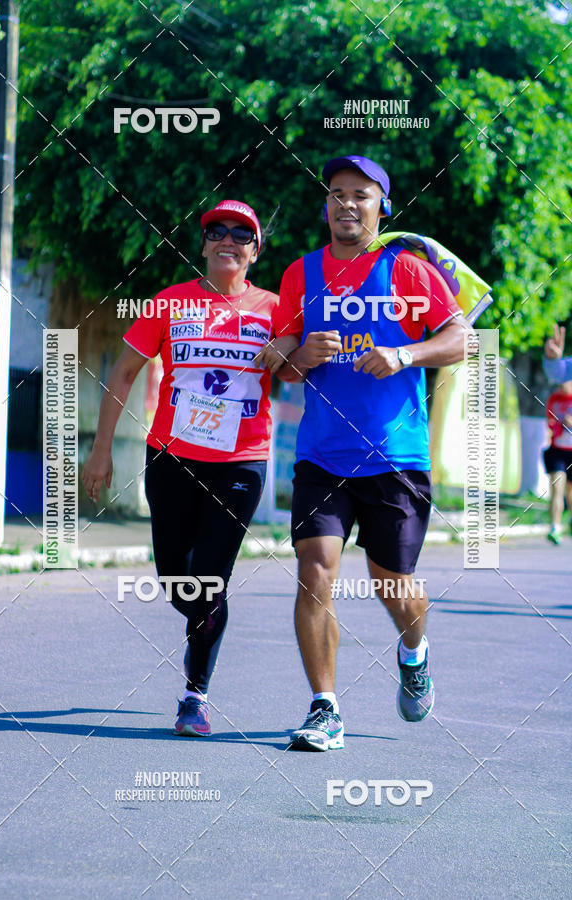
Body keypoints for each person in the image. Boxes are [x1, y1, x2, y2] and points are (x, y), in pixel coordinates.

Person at [273, 155, 473, 751]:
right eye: (336, 193)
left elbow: (461, 339)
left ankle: (414, 651)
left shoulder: (408, 270)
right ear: (325, 206)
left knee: (392, 583)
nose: (347, 204)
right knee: (314, 571)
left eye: (360, 195)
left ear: (382, 206)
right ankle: (325, 708)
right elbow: (281, 365)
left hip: (395, 456)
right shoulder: (300, 273)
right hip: (322, 455)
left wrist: (404, 355)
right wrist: (300, 356)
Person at [81, 200, 297, 737]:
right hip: (171, 458)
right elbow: (123, 373)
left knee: (210, 579)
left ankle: (195, 695)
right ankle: (208, 617)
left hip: (241, 462)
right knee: (177, 579)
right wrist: (101, 450)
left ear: (255, 251)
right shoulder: (169, 303)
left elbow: (298, 368)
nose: (228, 240)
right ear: (202, 245)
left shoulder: (275, 309)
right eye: (216, 231)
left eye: (241, 234)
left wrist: (291, 345)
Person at [543, 379, 572, 544]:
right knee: (556, 487)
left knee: (570, 493)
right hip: (557, 450)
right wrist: (554, 426)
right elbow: (550, 421)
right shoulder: (554, 399)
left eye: (565, 381)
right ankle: (555, 527)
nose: (562, 385)